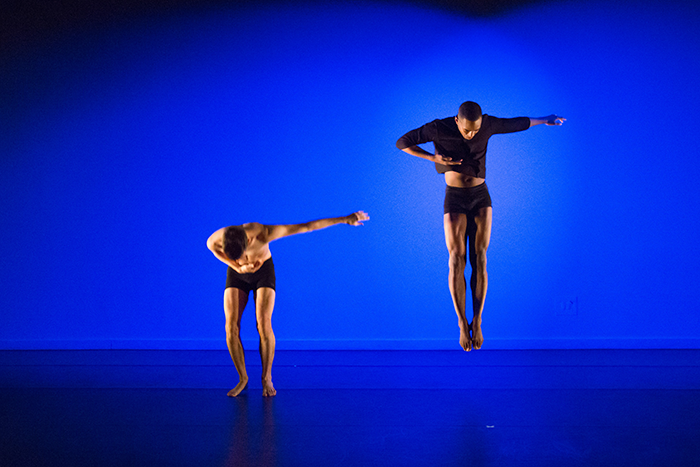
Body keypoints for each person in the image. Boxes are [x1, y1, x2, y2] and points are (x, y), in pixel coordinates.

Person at [396, 101, 565, 352]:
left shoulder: (487, 125)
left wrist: (544, 119)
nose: (471, 134)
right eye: (467, 131)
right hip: (454, 196)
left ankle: (479, 319)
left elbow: (515, 123)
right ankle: (462, 323)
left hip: (480, 196)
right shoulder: (438, 127)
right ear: (457, 121)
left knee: (481, 258)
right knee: (456, 259)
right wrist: (432, 157)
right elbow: (402, 142)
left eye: (475, 131)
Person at [206, 211, 369, 397]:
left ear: (249, 242)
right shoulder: (218, 238)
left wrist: (344, 219)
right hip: (237, 273)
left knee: (263, 324)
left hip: (262, 272)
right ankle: (243, 377)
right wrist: (238, 266)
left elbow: (306, 226)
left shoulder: (264, 233)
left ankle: (266, 377)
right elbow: (211, 247)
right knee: (230, 327)